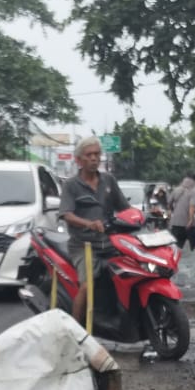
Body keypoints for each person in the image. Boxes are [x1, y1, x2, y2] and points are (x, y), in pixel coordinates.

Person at [59, 136, 127, 326]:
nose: (94, 158)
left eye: (97, 154)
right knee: (87, 285)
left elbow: (124, 208)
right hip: (83, 246)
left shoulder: (108, 180)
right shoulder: (70, 185)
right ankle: (75, 330)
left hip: (109, 243)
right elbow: (67, 214)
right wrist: (89, 224)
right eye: (89, 155)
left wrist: (144, 215)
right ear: (79, 160)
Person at [168, 172, 195, 268]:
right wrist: (190, 220)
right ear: (193, 181)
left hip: (176, 223)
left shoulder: (176, 190)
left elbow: (169, 203)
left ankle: (171, 263)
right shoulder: (192, 192)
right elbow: (192, 207)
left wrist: (173, 212)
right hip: (189, 224)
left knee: (175, 245)